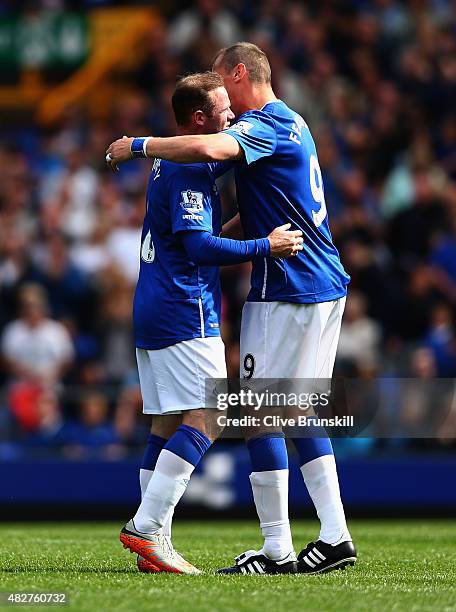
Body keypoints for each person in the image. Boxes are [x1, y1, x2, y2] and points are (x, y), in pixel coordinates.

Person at [106, 42, 356, 576]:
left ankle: (276, 549)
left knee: (255, 415)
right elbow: (265, 205)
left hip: (290, 284)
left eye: (225, 87)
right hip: (314, 282)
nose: (226, 106)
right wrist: (232, 239)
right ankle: (328, 537)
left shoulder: (261, 124)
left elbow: (210, 150)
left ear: (240, 74)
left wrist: (142, 144)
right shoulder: (294, 122)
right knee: (289, 410)